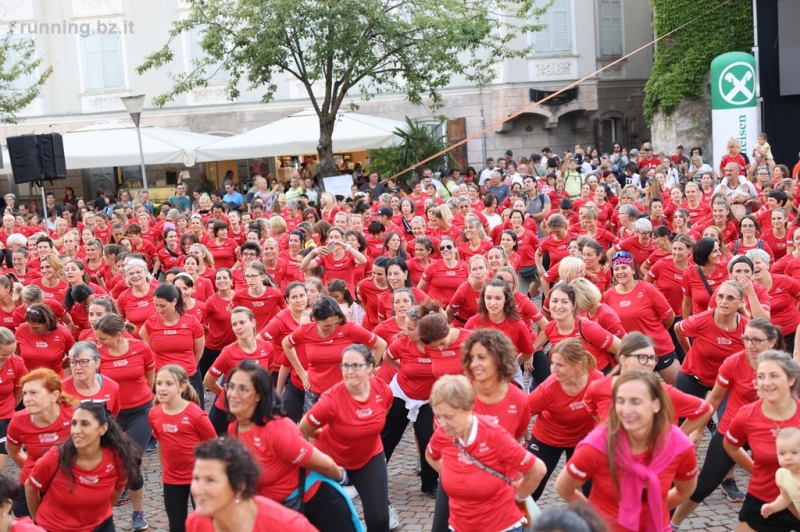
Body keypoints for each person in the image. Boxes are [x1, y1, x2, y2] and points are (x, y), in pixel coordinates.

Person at [672, 319, 785, 526]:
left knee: (783, 483)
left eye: (756, 340)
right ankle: (672, 524)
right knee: (705, 484)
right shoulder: (733, 362)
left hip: (768, 433)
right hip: (733, 429)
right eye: (746, 339)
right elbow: (713, 399)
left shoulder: (784, 366)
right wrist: (697, 431)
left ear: (772, 342)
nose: (750, 345)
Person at [225, 360, 362, 531]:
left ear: (259, 395)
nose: (233, 394)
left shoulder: (277, 430)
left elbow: (326, 465)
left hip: (319, 503)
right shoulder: (234, 428)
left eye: (243, 389)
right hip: (280, 512)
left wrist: (342, 477)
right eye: (230, 386)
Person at [555, 370, 698, 532]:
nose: (626, 410)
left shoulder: (679, 445)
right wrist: (596, 519)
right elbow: (564, 487)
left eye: (636, 402)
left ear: (656, 404)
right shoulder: (597, 444)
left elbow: (684, 490)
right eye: (620, 401)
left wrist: (653, 507)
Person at [431, 329, 534, 532]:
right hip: (459, 488)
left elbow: (517, 438)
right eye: (471, 357)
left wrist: (519, 491)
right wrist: (454, 472)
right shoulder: (459, 394)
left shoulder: (519, 399)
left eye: (481, 357)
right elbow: (437, 443)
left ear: (498, 359)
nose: (474, 364)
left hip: (500, 490)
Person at [425, 374, 546, 532]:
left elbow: (537, 469)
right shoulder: (443, 433)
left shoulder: (494, 435)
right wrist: (454, 473)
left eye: (448, 416)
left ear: (468, 408)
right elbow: (431, 455)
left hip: (501, 526)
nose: (442, 423)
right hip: (459, 526)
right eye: (438, 416)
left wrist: (518, 496)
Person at [300, 344, 392, 532]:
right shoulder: (330, 400)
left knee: (380, 519)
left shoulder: (382, 390)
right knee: (328, 521)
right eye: (345, 366)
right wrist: (313, 457)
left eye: (356, 366)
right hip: (331, 462)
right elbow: (303, 429)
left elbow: (383, 412)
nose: (349, 371)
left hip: (369, 457)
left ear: (370, 367)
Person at [25, 402, 142, 532]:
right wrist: (37, 523)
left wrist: (100, 514)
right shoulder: (55, 456)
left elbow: (118, 488)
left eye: (85, 424)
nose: (76, 430)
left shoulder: (117, 457)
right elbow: (30, 487)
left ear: (102, 429)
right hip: (55, 528)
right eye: (74, 423)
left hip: (101, 525)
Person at [723, 351, 800, 532]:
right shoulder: (746, 415)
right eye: (761, 376)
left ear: (791, 379)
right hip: (764, 500)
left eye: (774, 375)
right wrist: (755, 467)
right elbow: (730, 446)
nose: (766, 382)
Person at [583, 332, 713, 436]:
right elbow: (592, 408)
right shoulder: (598, 387)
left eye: (652, 358)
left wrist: (677, 437)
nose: (650, 363)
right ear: (623, 359)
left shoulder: (661, 392)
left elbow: (704, 409)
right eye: (642, 357)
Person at [92, 313, 155, 526]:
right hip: (111, 413)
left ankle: (138, 513)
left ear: (118, 335)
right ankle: (102, 510)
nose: (99, 342)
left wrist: (143, 396)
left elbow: (149, 375)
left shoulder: (140, 348)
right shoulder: (97, 353)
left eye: (103, 338)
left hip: (140, 411)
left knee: (132, 459)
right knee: (106, 460)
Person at [187, 437, 318, 531]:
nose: (197, 489)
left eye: (210, 480)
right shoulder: (196, 522)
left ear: (238, 486)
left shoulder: (286, 525)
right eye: (196, 478)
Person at [526, 339, 602, 500]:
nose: (553, 370)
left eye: (560, 365)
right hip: (548, 438)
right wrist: (521, 440)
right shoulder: (548, 389)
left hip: (584, 439)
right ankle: (520, 523)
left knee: (592, 488)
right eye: (552, 363)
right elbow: (521, 414)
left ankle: (592, 523)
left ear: (579, 365)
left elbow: (608, 415)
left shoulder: (596, 380)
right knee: (532, 485)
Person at [380, 300, 440, 500]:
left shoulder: (438, 344)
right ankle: (374, 477)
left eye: (411, 329)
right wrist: (403, 369)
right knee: (388, 436)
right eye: (405, 327)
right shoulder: (401, 343)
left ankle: (431, 482)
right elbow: (387, 357)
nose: (406, 332)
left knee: (427, 438)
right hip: (401, 394)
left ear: (424, 329)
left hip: (427, 399)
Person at [283, 296, 385, 412]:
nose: (332, 328)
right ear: (315, 320)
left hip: (345, 392)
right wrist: (300, 371)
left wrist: (366, 372)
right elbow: (286, 344)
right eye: (327, 325)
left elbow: (381, 345)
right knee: (314, 429)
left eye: (336, 323)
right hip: (315, 393)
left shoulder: (350, 328)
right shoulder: (306, 330)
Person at [150, 365, 216, 532]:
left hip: (199, 478)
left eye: (169, 384)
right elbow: (161, 443)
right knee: (176, 525)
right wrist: (164, 471)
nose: (162, 388)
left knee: (205, 524)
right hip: (172, 479)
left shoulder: (196, 414)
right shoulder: (154, 413)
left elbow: (214, 445)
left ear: (182, 387)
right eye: (159, 383)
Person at [6, 369, 77, 517]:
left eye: (34, 393)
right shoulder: (18, 421)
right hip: (31, 482)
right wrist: (37, 469)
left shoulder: (74, 413)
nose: (26, 399)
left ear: (54, 395)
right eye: (25, 393)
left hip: (68, 479)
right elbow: (14, 451)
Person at [603, 251, 679, 384]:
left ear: (632, 270)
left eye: (624, 267)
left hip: (659, 347)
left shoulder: (647, 288)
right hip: (631, 354)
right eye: (616, 269)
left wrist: (656, 331)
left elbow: (669, 316)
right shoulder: (608, 295)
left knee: (680, 389)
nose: (620, 271)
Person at [675, 280, 748, 404]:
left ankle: (710, 421)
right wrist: (689, 351)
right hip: (694, 378)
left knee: (727, 422)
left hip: (727, 382)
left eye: (730, 298)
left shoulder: (747, 328)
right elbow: (678, 328)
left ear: (741, 302)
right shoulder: (699, 321)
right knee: (688, 420)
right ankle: (709, 422)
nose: (724, 301)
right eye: (720, 296)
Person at [205, 307, 273, 435]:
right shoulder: (228, 352)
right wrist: (227, 394)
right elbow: (208, 381)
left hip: (254, 410)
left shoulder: (267, 348)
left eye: (242, 322)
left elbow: (267, 374)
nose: (238, 327)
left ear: (253, 323)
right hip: (227, 411)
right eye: (234, 324)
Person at [528, 283, 620, 375]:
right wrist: (529, 354)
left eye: (564, 302)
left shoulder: (587, 328)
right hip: (572, 382)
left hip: (600, 380)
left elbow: (622, 348)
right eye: (554, 301)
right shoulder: (550, 328)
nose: (558, 306)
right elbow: (532, 349)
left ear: (573, 306)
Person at [140, 283, 206, 404]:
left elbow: (199, 351)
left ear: (174, 301)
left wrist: (188, 365)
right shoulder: (150, 323)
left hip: (188, 376)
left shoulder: (191, 322)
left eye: (163, 306)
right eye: (156, 305)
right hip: (162, 378)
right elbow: (150, 349)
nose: (159, 309)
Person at [61, 342, 121, 417]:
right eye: (73, 362)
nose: (77, 367)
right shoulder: (61, 390)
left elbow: (112, 416)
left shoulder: (112, 387)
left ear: (97, 363)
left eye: (84, 362)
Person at [15, 304, 74, 377]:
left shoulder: (63, 332)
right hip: (28, 379)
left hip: (53, 380)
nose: (32, 330)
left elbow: (74, 355)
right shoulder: (21, 330)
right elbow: (18, 353)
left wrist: (61, 364)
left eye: (36, 328)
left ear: (47, 323)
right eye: (29, 326)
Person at [231, 261, 285, 333]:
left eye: (253, 276)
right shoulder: (239, 295)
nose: (249, 280)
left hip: (269, 337)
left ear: (262, 277)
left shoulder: (275, 294)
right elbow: (231, 310)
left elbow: (286, 311)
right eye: (247, 276)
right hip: (249, 337)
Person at [200, 269, 235, 378]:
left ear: (231, 281)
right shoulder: (211, 301)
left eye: (225, 277)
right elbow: (200, 321)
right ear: (215, 282)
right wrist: (208, 330)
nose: (221, 280)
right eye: (218, 278)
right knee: (203, 374)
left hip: (235, 345)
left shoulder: (239, 297)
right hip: (214, 346)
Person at [682, 237, 729, 318]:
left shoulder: (727, 268)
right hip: (701, 322)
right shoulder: (689, 273)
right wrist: (686, 326)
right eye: (715, 251)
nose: (720, 254)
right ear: (704, 254)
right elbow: (687, 304)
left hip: (723, 321)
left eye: (719, 250)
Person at [761, 427, 800, 519]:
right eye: (782, 453)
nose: (788, 458)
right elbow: (786, 497)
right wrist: (773, 507)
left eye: (794, 452)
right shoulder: (782, 475)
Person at [417, 237, 468, 305]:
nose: (445, 249)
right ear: (440, 252)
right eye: (442, 248)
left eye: (449, 247)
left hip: (457, 308)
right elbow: (418, 289)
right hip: (436, 309)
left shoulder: (465, 266)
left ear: (455, 249)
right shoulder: (433, 266)